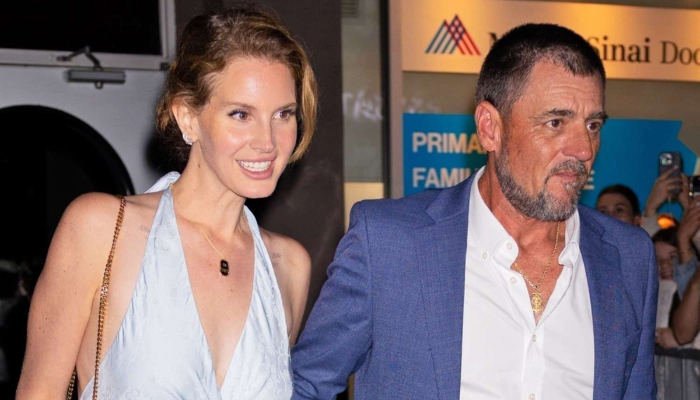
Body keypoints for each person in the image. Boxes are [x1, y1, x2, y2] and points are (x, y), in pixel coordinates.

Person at [292, 23, 657, 399]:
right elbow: (307, 386)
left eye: (593, 125)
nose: (583, 149)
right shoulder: (389, 244)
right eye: (555, 123)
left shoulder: (629, 258)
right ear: (490, 128)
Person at [17, 5, 316, 399]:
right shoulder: (101, 228)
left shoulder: (288, 265)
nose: (268, 141)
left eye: (283, 114)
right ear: (188, 118)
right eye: (241, 114)